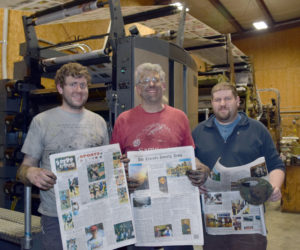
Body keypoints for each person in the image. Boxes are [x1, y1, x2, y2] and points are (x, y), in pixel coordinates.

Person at [111, 62, 205, 250]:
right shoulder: (124, 120)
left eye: (155, 79)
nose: (151, 84)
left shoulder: (179, 117)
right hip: (139, 206)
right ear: (138, 89)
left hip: (175, 205)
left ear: (163, 85)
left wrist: (200, 168)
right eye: (145, 81)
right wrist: (121, 168)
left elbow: (189, 155)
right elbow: (114, 162)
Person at [16, 62, 109, 250]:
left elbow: (106, 166)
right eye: (72, 84)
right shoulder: (42, 122)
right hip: (56, 218)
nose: (79, 90)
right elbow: (23, 169)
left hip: (93, 213)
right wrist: (31, 173)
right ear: (60, 88)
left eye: (83, 85)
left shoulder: (99, 122)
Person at [191, 82, 285, 250]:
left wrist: (274, 186)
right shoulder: (198, 132)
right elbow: (190, 166)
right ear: (211, 103)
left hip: (250, 220)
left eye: (227, 98)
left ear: (237, 101)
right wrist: (195, 185)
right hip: (213, 222)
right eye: (217, 100)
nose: (222, 104)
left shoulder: (257, 130)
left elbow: (276, 164)